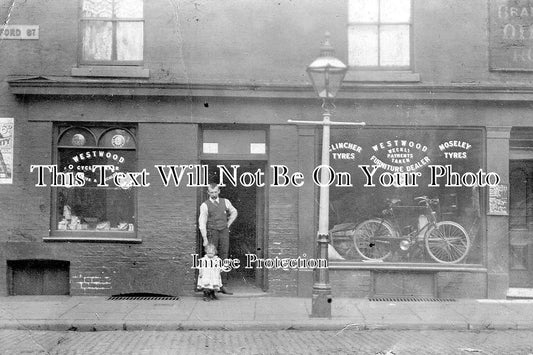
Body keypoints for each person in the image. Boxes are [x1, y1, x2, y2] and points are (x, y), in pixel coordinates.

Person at [198, 183, 237, 294]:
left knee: (224, 256)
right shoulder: (204, 205)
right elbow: (202, 223)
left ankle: (222, 285)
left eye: (215, 192)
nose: (214, 194)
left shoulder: (226, 202)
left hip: (224, 232)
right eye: (211, 192)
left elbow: (234, 212)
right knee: (212, 258)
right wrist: (205, 238)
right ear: (208, 192)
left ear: (219, 191)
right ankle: (211, 287)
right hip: (212, 232)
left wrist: (228, 224)